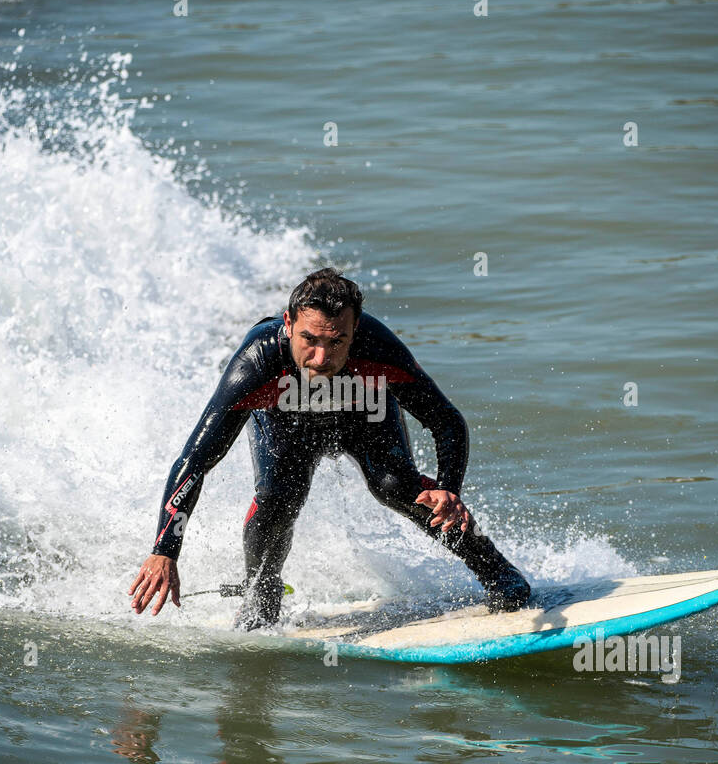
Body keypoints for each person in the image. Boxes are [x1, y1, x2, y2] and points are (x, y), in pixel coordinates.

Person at [127, 268, 531, 630]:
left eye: (337, 342)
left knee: (398, 486)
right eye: (309, 340)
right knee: (278, 498)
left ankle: (500, 573)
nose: (321, 358)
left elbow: (447, 421)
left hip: (365, 416)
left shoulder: (380, 350)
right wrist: (165, 550)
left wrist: (449, 488)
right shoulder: (257, 365)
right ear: (288, 324)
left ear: (356, 331)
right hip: (286, 428)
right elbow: (195, 461)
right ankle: (261, 595)